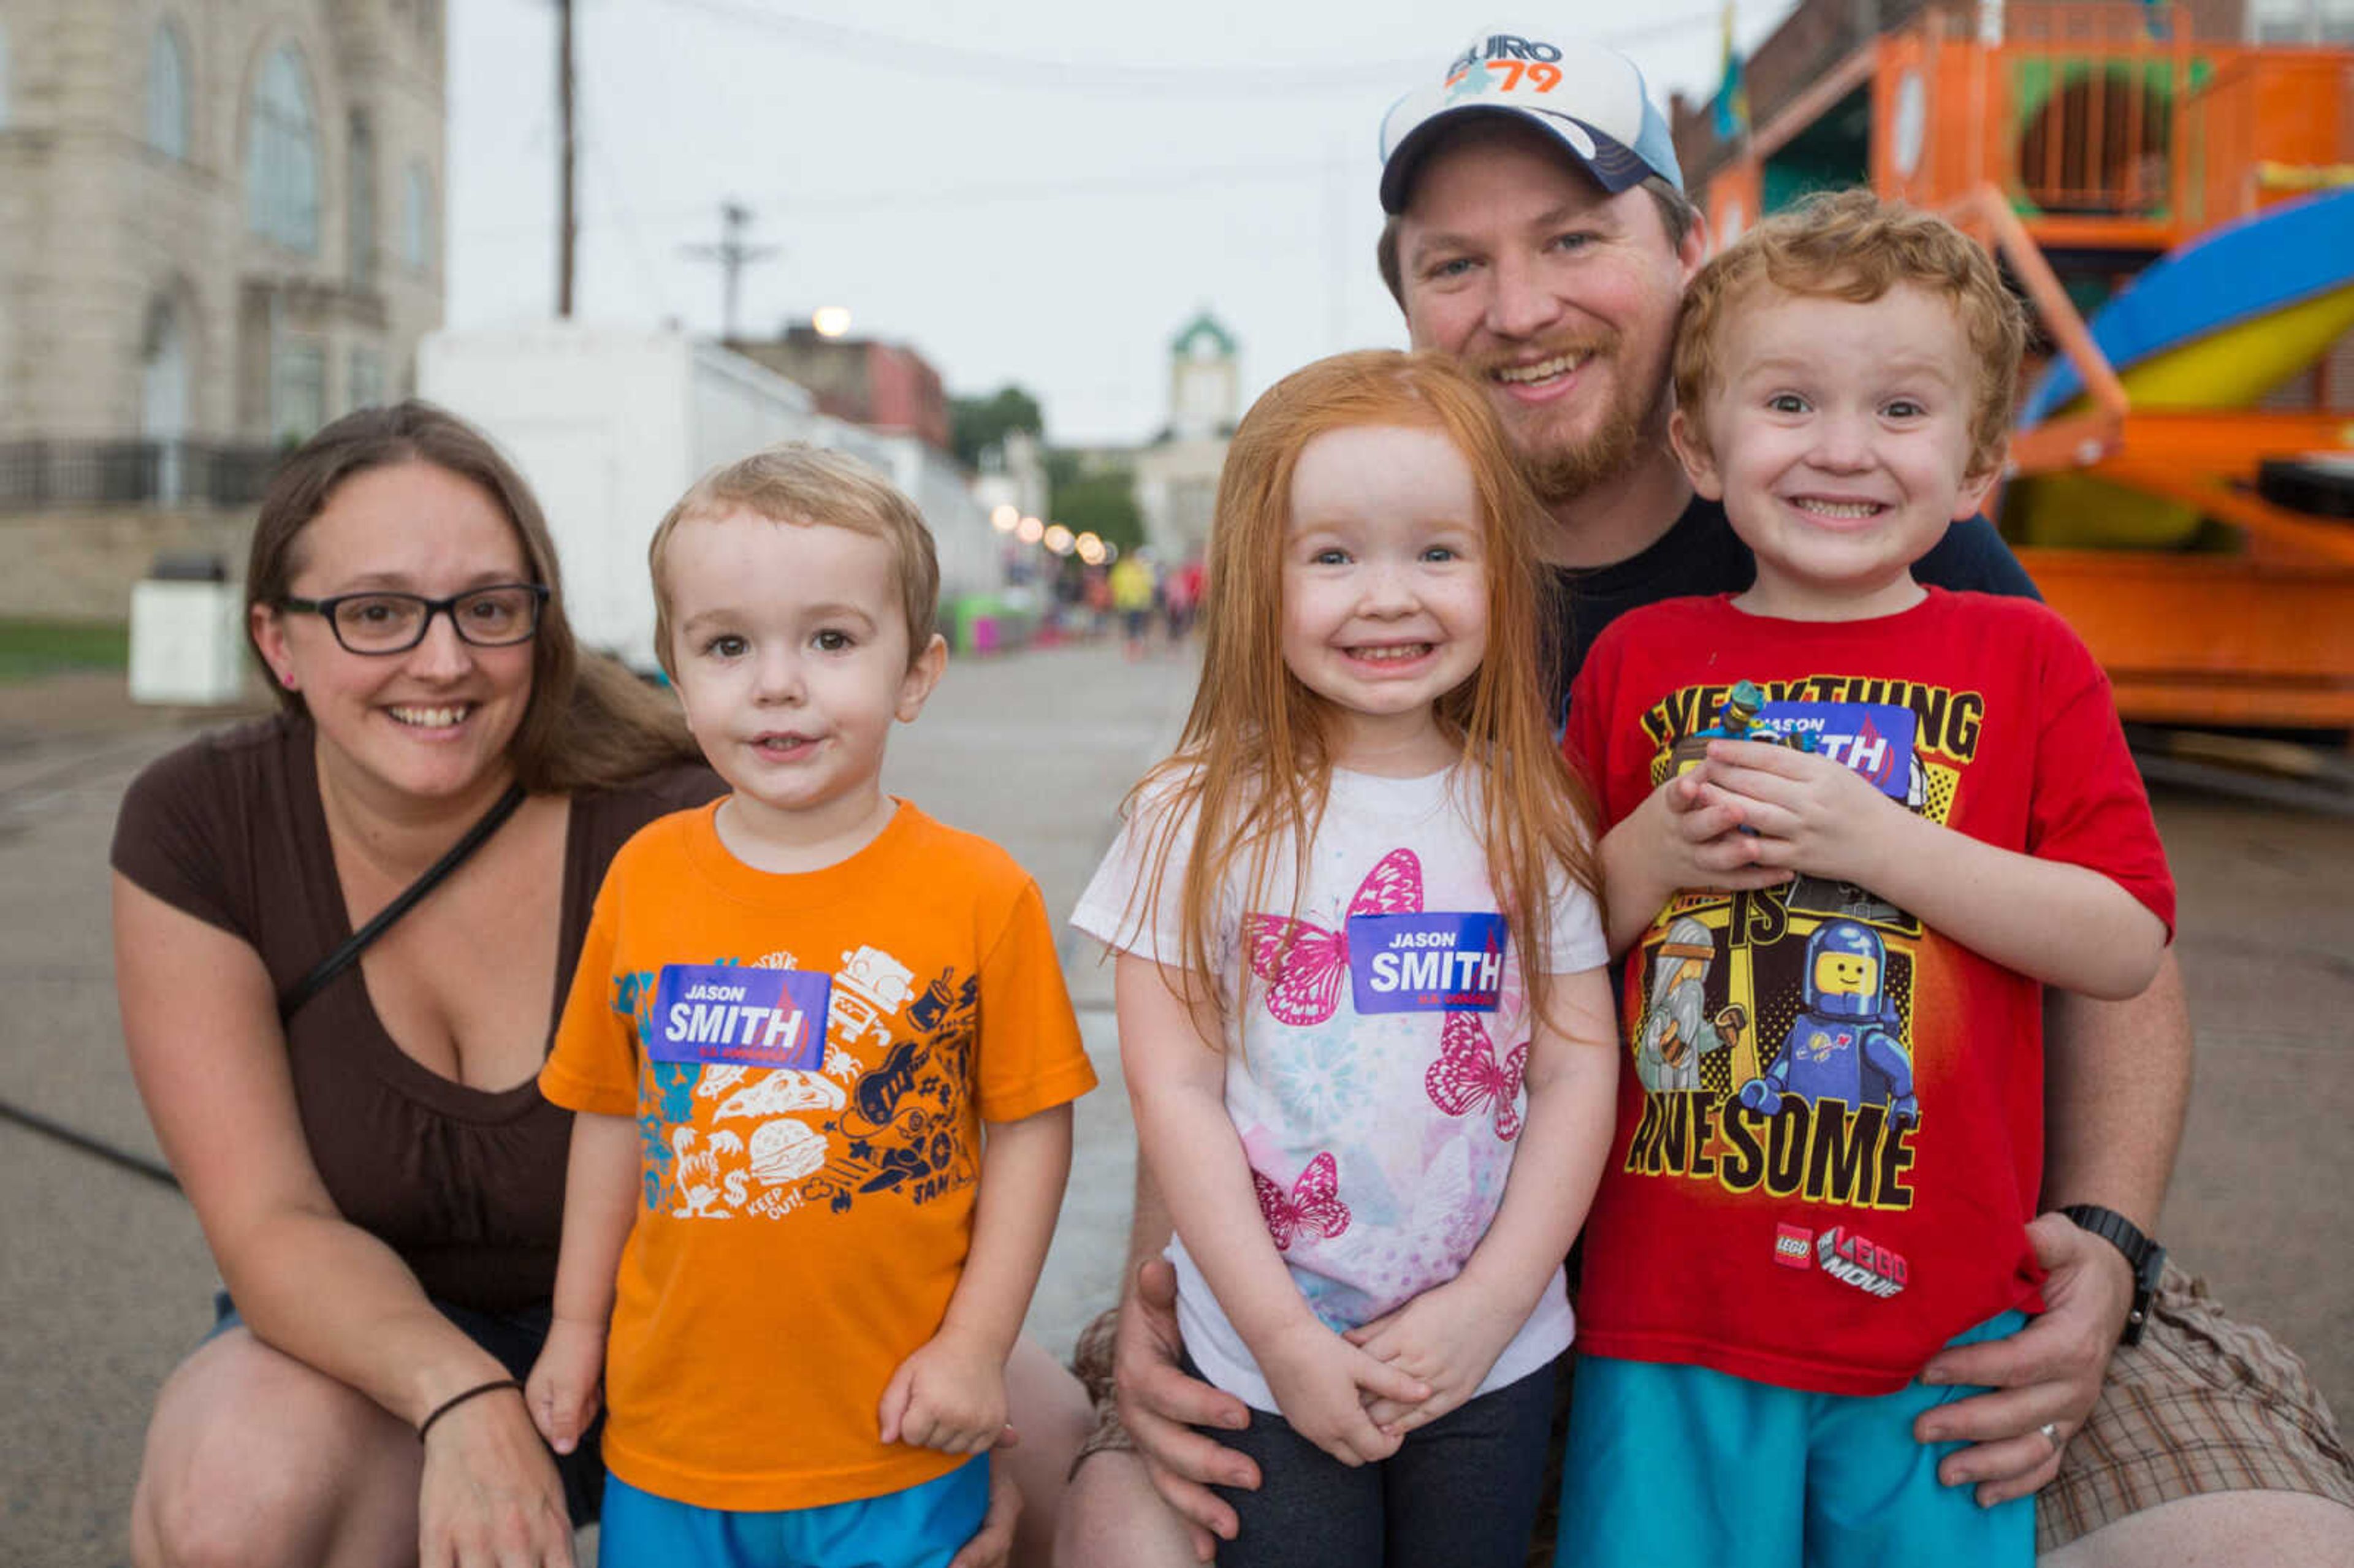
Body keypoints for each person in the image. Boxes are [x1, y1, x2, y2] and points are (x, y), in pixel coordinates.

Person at [1062, 25, 2354, 1568]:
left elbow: (2123, 948)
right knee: (1105, 1506)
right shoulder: (1374, 601)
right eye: (1456, 262)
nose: (1522, 305)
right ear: (1404, 302)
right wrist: (1172, 1307)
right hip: (1531, 1318)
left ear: (1687, 246)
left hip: (1927, 1290)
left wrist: (2107, 1240)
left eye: (1574, 240)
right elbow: (1247, 987)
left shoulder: (1899, 551)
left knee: (2276, 1542)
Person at [110, 403, 1046, 1568]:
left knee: (1048, 1444)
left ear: (543, 626)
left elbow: (932, 1129)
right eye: (377, 611)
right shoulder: (207, 821)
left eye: (489, 609)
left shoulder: (692, 811)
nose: (442, 659)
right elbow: (268, 1221)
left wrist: (966, 1413)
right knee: (236, 1484)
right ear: (278, 640)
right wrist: (461, 1396)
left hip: (732, 1340)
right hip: (392, 1345)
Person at [1556, 191, 2176, 1568]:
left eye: (1902, 410)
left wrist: (1884, 845)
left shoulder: (2027, 660)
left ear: (1976, 468)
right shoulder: (1636, 665)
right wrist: (1646, 856)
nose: (1843, 450)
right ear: (1698, 447)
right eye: (1788, 402)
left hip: (1943, 1320)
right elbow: (1542, 943)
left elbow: (2123, 937)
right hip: (1667, 1311)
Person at [1070, 351, 1619, 1566]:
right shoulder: (1188, 817)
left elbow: (1578, 1076)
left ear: (1501, 572)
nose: (1389, 597)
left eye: (1437, 551)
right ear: (1257, 579)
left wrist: (1490, 1308)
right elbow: (1176, 1094)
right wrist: (1281, 1339)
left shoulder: (1536, 811)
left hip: (1491, 1353)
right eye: (1333, 556)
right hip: (1266, 1356)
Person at [523, 444, 1099, 1566]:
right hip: (672, 1441)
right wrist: (576, 1327)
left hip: (893, 1433)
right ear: (675, 674)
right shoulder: (643, 876)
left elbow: (1031, 1129)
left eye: (831, 640)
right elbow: (608, 1116)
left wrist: (978, 1347)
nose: (777, 682)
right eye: (727, 645)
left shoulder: (979, 892)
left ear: (916, 673)